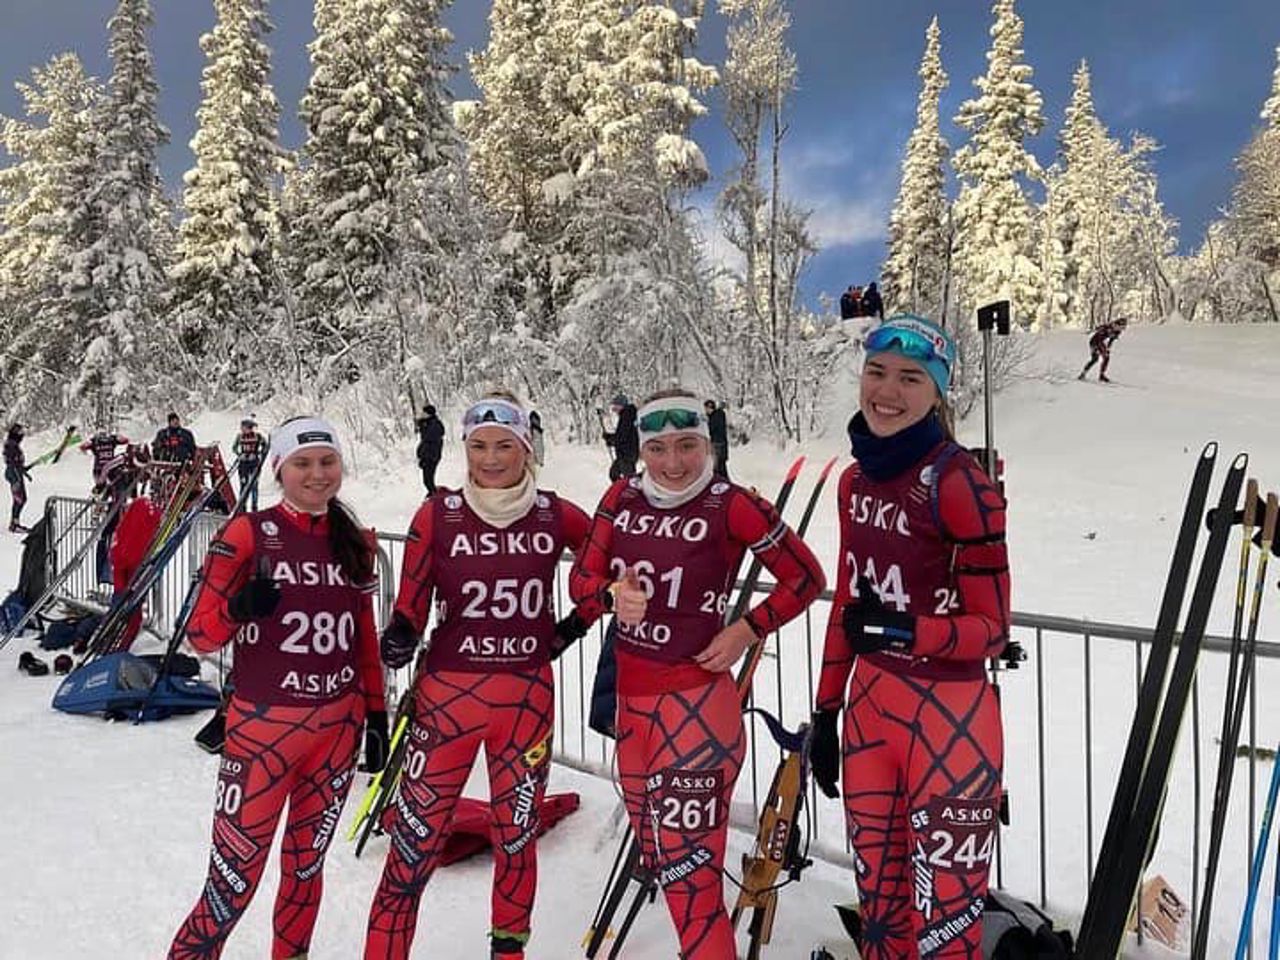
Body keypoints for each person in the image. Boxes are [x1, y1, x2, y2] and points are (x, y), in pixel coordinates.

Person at [569, 389, 826, 960]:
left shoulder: (731, 503)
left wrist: (747, 630)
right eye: (658, 448)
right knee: (664, 861)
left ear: (706, 445)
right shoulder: (619, 498)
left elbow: (806, 578)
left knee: (692, 885)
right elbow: (580, 583)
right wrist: (610, 595)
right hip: (634, 716)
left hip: (696, 715)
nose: (674, 462)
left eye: (688, 446)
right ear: (641, 450)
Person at [367, 392, 602, 960]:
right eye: (478, 446)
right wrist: (398, 636)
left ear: (526, 447)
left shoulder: (555, 512)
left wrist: (572, 626)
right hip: (447, 703)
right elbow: (411, 606)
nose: (491, 458)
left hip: (526, 706)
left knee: (516, 839)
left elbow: (611, 566)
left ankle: (509, 952)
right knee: (414, 843)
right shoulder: (438, 514)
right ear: (463, 448)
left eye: (504, 445)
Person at [809, 313, 1010, 959]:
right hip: (870, 714)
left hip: (950, 719)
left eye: (911, 378)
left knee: (946, 924)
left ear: (937, 392)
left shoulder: (959, 483)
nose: (887, 391)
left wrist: (905, 628)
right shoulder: (853, 480)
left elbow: (992, 631)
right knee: (880, 914)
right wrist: (825, 707)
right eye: (877, 372)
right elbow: (847, 597)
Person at [168, 416, 388, 960]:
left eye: (327, 462)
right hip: (262, 733)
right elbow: (199, 635)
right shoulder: (249, 532)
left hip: (336, 734)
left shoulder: (353, 540)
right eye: (303, 464)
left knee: (305, 873)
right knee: (230, 883)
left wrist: (378, 715)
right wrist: (239, 608)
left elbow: (362, 639)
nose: (317, 475)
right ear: (279, 470)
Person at [231, 417, 267, 510]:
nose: (242, 429)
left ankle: (254, 506)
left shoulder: (258, 436)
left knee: (254, 485)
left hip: (254, 463)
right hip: (243, 464)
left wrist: (259, 453)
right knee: (243, 485)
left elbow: (265, 446)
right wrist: (240, 455)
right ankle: (242, 506)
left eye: (243, 427)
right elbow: (234, 448)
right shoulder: (240, 436)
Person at [1078, 317, 1128, 382]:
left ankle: (1101, 375)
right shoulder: (1108, 327)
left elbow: (1111, 340)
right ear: (1117, 324)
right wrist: (1091, 330)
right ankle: (1083, 374)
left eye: (1123, 328)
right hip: (1094, 342)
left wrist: (1108, 348)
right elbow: (1098, 329)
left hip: (1101, 342)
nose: (1122, 329)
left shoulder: (1117, 332)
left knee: (1105, 358)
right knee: (1096, 359)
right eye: (1121, 327)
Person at [604, 395, 638, 481]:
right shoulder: (627, 415)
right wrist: (610, 437)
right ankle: (621, 491)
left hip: (627, 454)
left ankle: (630, 492)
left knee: (629, 479)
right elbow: (622, 434)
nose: (614, 408)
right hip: (625, 454)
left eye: (616, 405)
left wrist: (610, 439)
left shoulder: (627, 416)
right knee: (614, 473)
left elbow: (622, 437)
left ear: (621, 405)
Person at [4, 423, 30, 533]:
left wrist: (23, 469)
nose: (22, 435)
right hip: (14, 474)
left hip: (16, 473)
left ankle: (15, 523)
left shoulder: (13, 444)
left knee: (20, 499)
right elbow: (11, 462)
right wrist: (17, 479)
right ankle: (14, 524)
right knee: (20, 499)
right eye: (20, 433)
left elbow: (16, 461)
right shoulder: (11, 445)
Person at [414, 404, 445, 495]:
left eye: (424, 412)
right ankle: (433, 494)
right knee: (427, 480)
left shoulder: (434, 425)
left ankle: (434, 497)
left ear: (429, 414)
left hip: (431, 457)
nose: (422, 414)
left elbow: (429, 439)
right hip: (427, 456)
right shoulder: (428, 423)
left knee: (428, 480)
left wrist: (425, 458)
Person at [704, 399, 730, 479]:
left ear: (709, 407)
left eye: (706, 409)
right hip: (720, 444)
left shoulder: (716, 416)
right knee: (720, 467)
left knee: (718, 468)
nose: (705, 411)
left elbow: (711, 429)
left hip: (717, 444)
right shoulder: (717, 415)